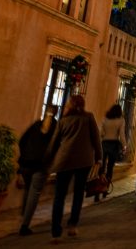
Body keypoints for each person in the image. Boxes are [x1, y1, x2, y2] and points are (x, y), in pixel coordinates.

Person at [44, 94, 102, 243]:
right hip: (83, 161)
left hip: (64, 161)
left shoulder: (63, 120)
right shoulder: (88, 117)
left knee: (59, 197)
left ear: (69, 105)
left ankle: (55, 233)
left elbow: (54, 142)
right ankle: (72, 225)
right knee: (78, 194)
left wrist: (48, 160)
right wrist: (99, 158)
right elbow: (96, 139)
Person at [17, 105, 57, 236]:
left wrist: (25, 155)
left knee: (28, 190)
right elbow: (56, 148)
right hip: (40, 166)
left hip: (26, 163)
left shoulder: (36, 125)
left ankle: (22, 217)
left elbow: (22, 141)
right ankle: (25, 225)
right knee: (34, 194)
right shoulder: (55, 129)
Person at [96, 104, 127, 202]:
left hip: (104, 143)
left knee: (101, 167)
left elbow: (101, 132)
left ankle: (97, 191)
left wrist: (104, 136)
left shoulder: (105, 119)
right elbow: (122, 134)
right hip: (114, 144)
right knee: (110, 167)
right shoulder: (121, 120)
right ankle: (105, 190)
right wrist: (124, 145)